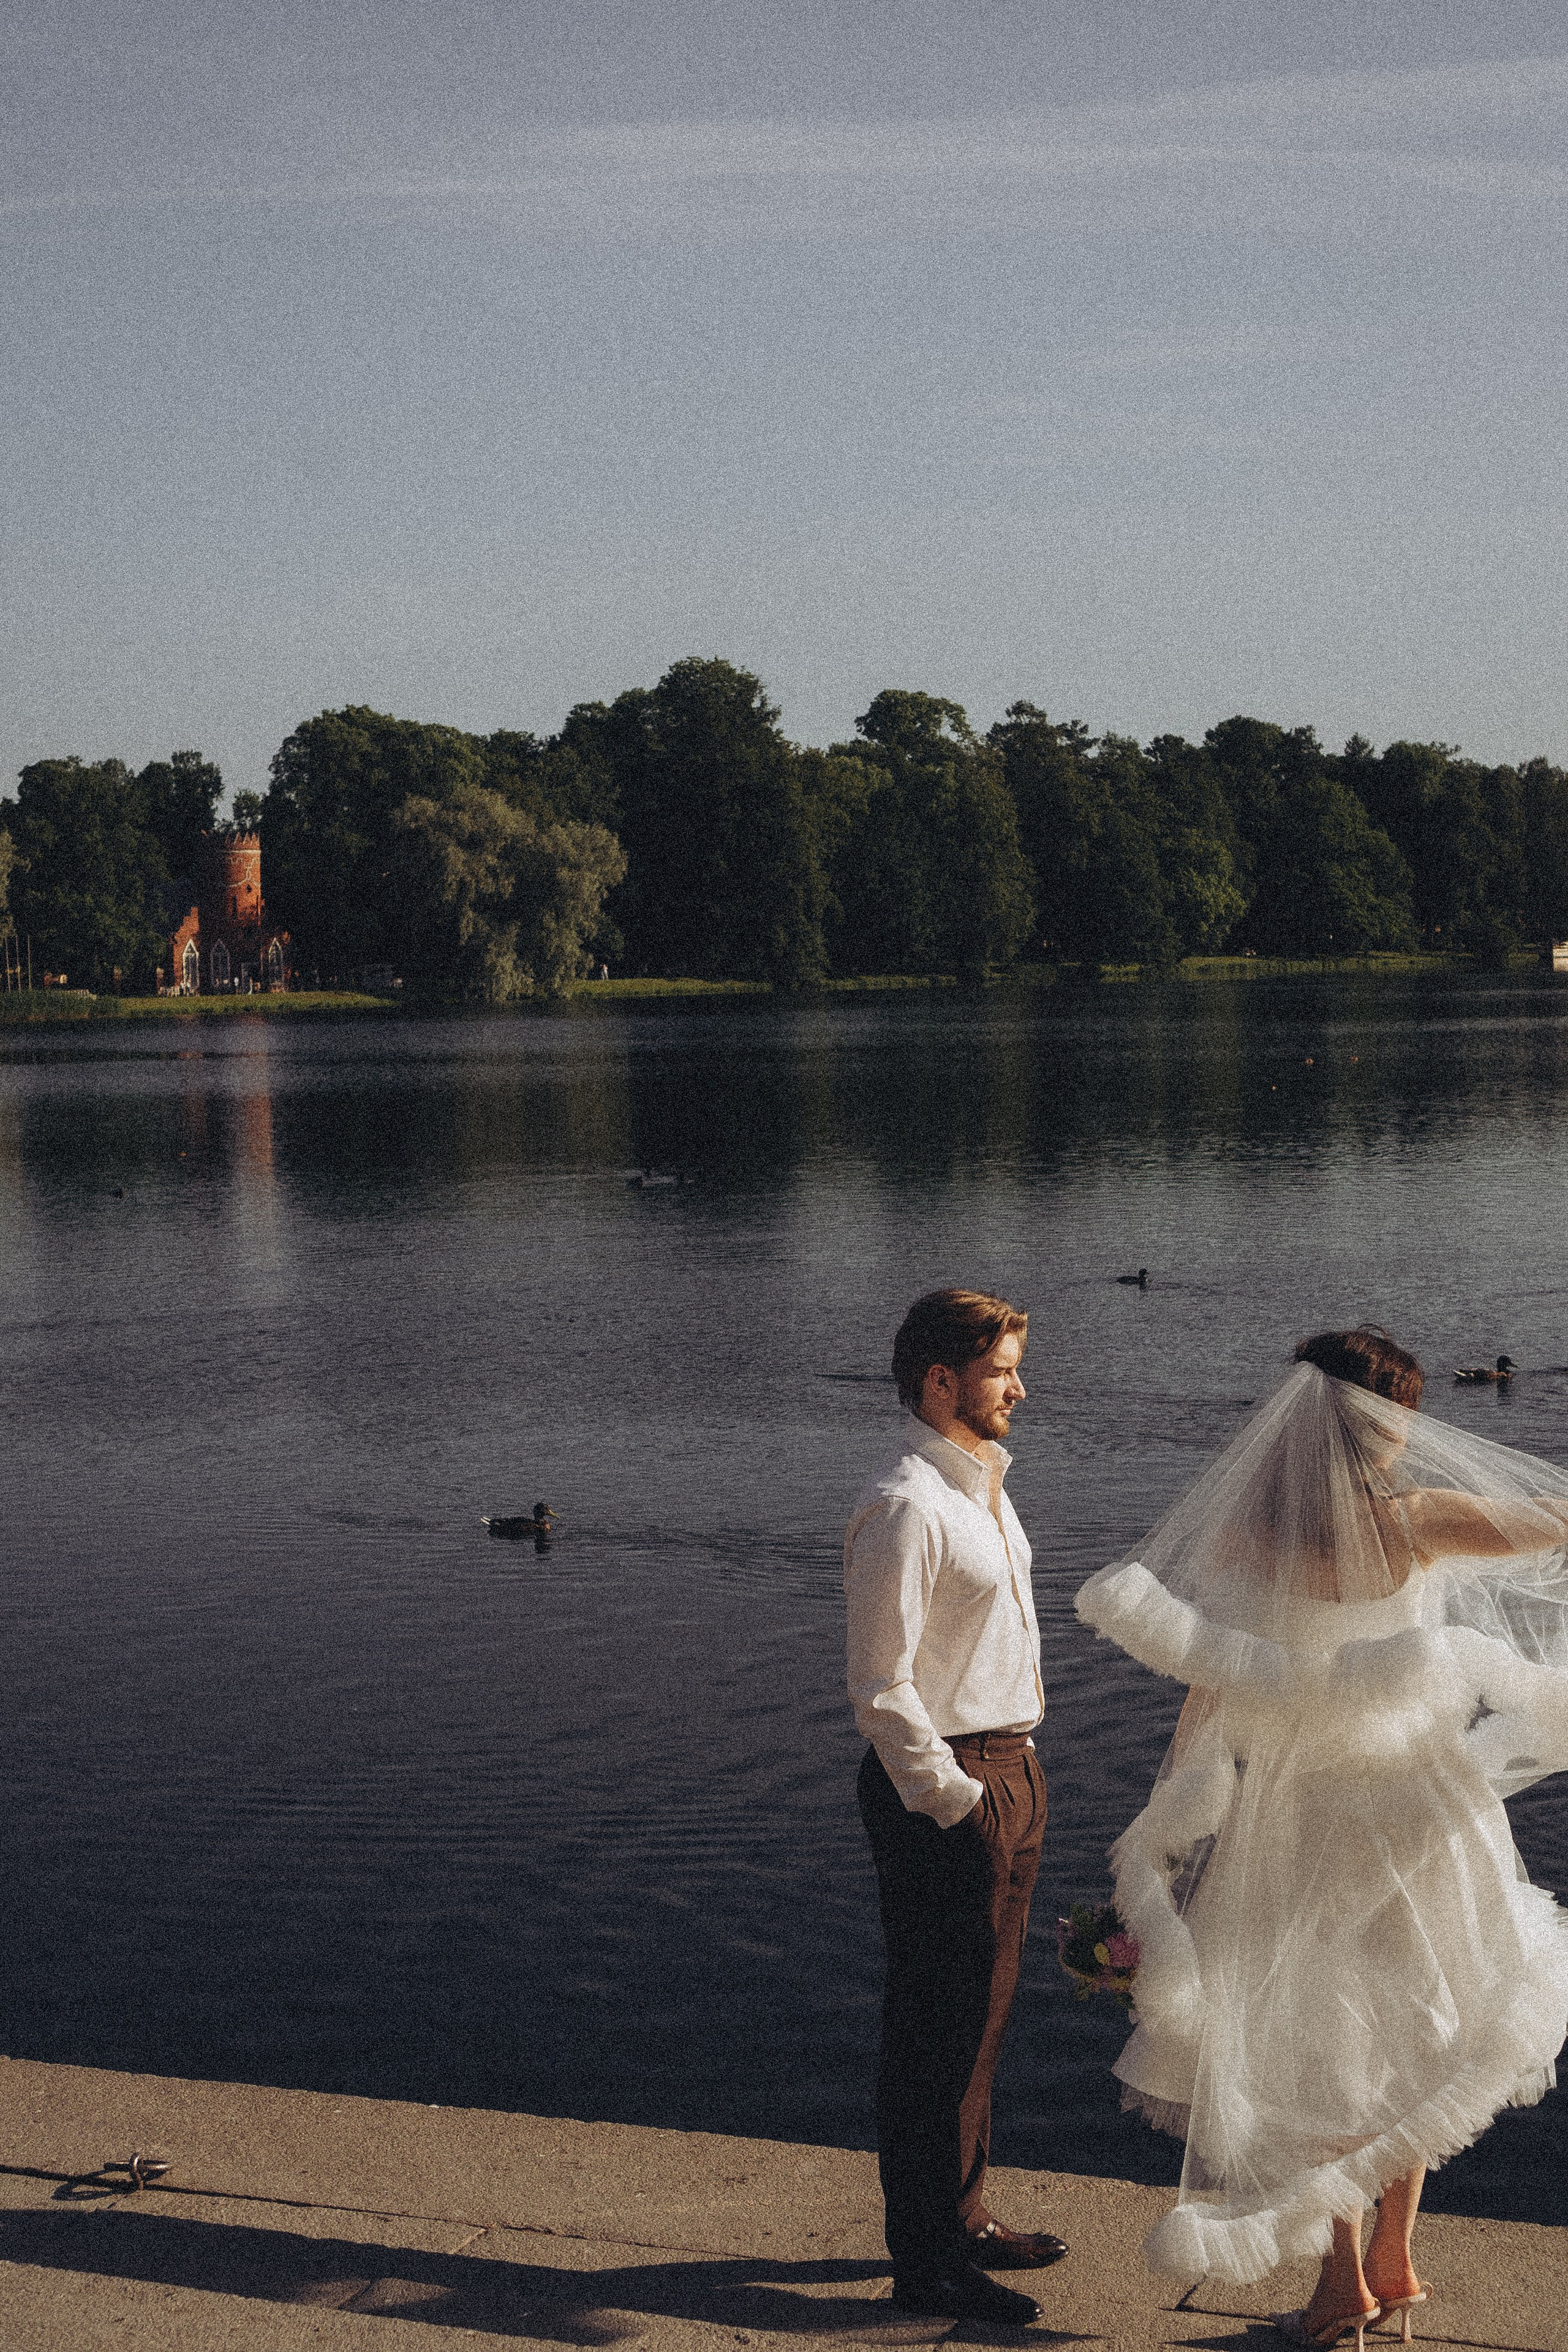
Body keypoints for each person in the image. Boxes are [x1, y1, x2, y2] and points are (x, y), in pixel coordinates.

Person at [1076, 1327, 1568, 2350]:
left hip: (1300, 1815)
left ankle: (1349, 2278)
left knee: (1319, 2046)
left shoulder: (1239, 1542)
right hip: (1423, 1804)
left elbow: (1208, 1698)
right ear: (1384, 1428)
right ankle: (1389, 2259)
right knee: (1424, 2023)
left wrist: (1168, 1836)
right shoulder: (1418, 1523)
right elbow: (1554, 1521)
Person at [845, 1287, 1068, 2328]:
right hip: (947, 1785)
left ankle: (964, 2217)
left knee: (982, 2016)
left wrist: (1009, 1784)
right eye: (1001, 1371)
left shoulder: (983, 1486)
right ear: (942, 1379)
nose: (1019, 1388)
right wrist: (959, 1802)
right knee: (934, 2027)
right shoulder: (907, 1504)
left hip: (1007, 1767)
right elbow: (882, 1689)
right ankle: (924, 2260)